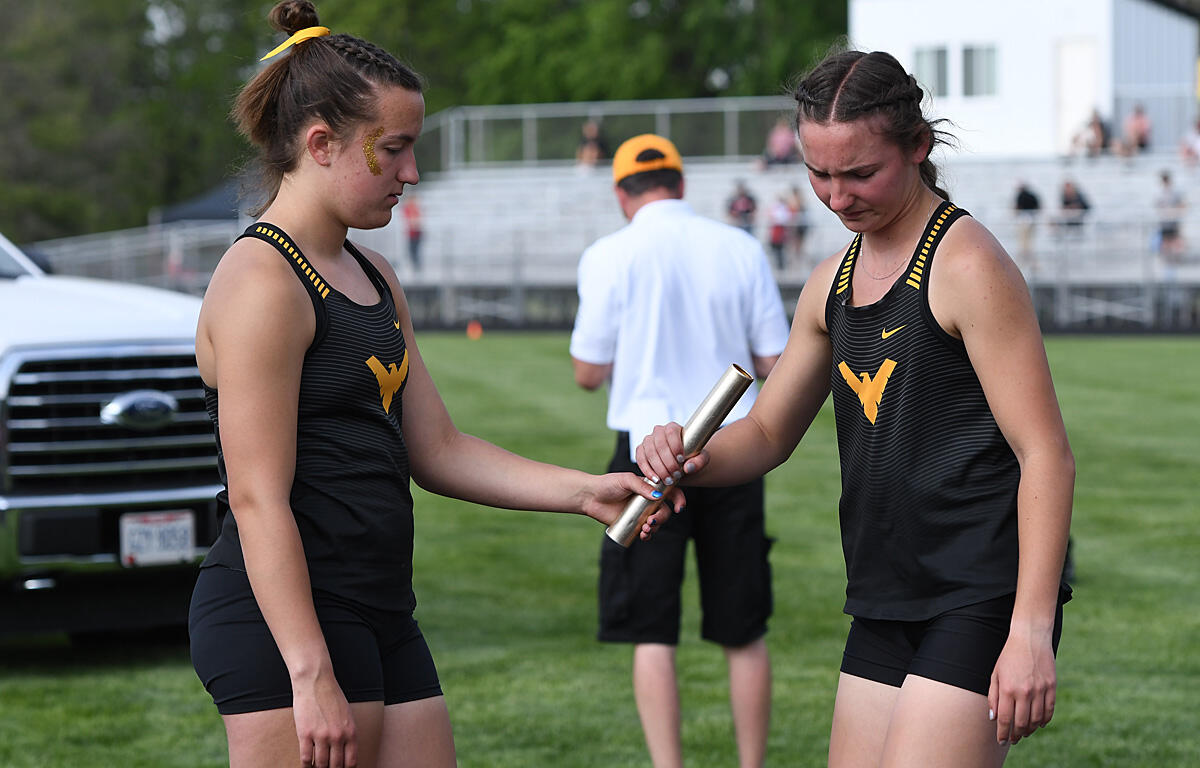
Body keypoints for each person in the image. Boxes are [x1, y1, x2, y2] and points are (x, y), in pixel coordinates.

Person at [186, 5, 679, 768]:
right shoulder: (263, 282)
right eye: (394, 149)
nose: (412, 173)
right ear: (320, 144)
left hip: (381, 607)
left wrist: (584, 492)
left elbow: (438, 448)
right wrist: (309, 671)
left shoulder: (375, 274)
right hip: (286, 623)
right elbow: (257, 499)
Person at [636, 49, 1074, 767]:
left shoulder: (967, 266)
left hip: (978, 592)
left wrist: (1029, 628)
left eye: (861, 173)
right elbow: (768, 430)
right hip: (883, 590)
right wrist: (688, 455)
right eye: (819, 174)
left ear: (918, 146)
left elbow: (1045, 453)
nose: (838, 198)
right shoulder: (830, 283)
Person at [569, 133, 791, 768]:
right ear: (681, 183)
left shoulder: (608, 254)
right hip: (733, 448)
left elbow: (587, 372)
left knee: (652, 629)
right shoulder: (740, 247)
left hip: (644, 456)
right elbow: (774, 361)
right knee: (743, 627)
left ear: (622, 193)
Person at [1013, 181, 1041, 274]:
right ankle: (1031, 264)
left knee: (1024, 244)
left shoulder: (1021, 196)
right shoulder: (1032, 196)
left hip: (1024, 221)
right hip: (1032, 220)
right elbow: (1038, 207)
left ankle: (1025, 263)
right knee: (1027, 244)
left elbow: (1017, 208)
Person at [401, 192, 422, 271]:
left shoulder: (414, 208)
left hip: (415, 232)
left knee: (415, 249)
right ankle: (414, 265)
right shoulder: (409, 208)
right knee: (413, 249)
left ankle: (416, 265)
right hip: (412, 232)